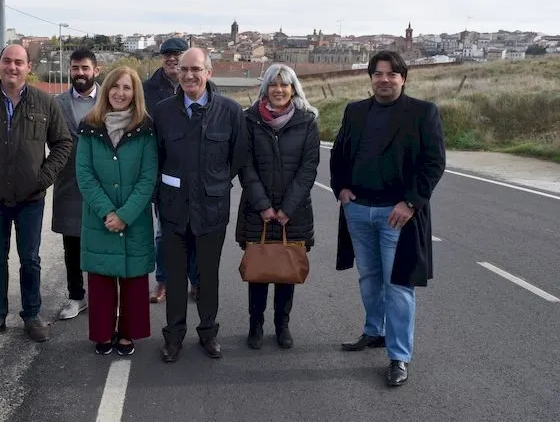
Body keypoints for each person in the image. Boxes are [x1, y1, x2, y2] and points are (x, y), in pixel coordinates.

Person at [330, 50, 446, 386]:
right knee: (369, 278)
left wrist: (410, 203)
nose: (384, 80)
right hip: (358, 211)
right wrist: (340, 189)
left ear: (403, 78)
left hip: (399, 216)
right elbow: (339, 153)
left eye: (391, 74)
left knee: (398, 287)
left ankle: (398, 356)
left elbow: (433, 163)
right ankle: (373, 331)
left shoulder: (423, 113)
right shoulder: (355, 112)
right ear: (371, 78)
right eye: (378, 74)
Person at [0, 44, 73, 342]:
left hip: (30, 199)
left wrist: (43, 178)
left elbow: (62, 143)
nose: (12, 67)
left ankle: (31, 315)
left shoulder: (45, 102)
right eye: (7, 61)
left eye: (18, 62)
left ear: (28, 67)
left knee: (30, 259)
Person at [153, 47, 248, 362]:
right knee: (176, 278)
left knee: (208, 278)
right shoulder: (163, 112)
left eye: (196, 69)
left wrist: (213, 184)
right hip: (173, 209)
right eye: (184, 70)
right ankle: (174, 336)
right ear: (177, 73)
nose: (189, 75)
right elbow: (156, 159)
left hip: (211, 209)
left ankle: (208, 333)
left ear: (209, 72)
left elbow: (236, 159)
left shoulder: (230, 112)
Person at [236, 64, 320, 350]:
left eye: (285, 85)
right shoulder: (249, 120)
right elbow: (245, 166)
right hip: (257, 211)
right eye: (274, 84)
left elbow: (309, 168)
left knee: (287, 270)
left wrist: (287, 208)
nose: (279, 90)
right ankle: (255, 325)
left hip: (293, 213)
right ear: (266, 88)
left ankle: (282, 325)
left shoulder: (307, 121)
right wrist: (263, 206)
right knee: (259, 270)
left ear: (293, 88)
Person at [76, 66, 157, 356]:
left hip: (133, 218)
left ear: (135, 94)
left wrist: (125, 214)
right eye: (115, 87)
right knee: (101, 281)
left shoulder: (145, 129)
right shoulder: (89, 126)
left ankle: (128, 333)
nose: (120, 93)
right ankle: (102, 332)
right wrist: (108, 211)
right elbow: (84, 174)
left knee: (133, 279)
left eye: (127, 88)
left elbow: (148, 177)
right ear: (106, 89)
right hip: (100, 218)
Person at [143, 37, 199, 303]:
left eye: (177, 54)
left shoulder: (202, 87)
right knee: (163, 233)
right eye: (167, 54)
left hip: (195, 175)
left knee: (196, 232)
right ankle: (163, 282)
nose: (172, 58)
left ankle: (196, 282)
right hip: (161, 173)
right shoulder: (147, 90)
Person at [53, 48, 101, 320]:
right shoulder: (57, 103)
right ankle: (76, 296)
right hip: (69, 183)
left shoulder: (111, 99)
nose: (79, 73)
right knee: (71, 246)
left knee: (100, 243)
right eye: (75, 68)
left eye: (84, 68)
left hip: (103, 184)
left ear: (96, 70)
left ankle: (101, 295)